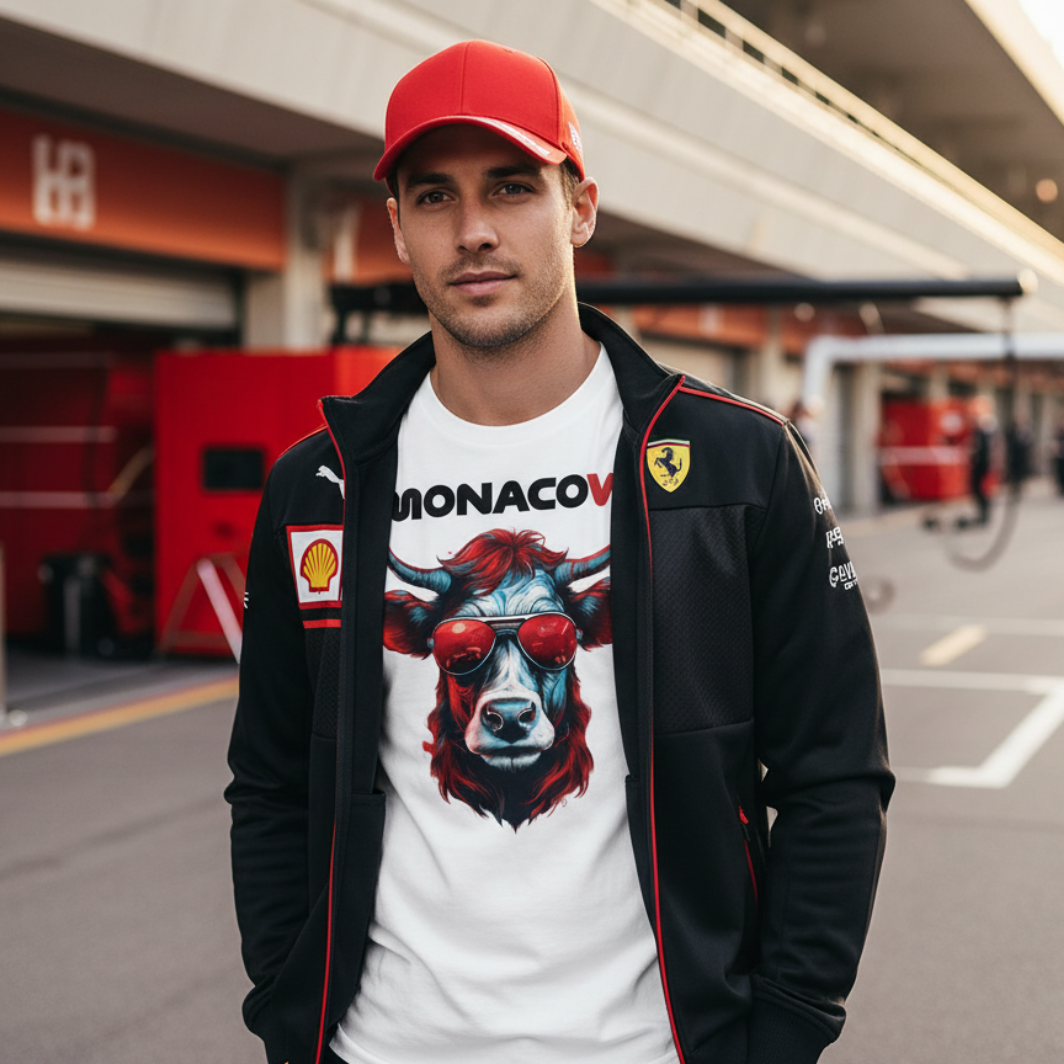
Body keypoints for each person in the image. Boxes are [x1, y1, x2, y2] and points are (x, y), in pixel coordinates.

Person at [226, 40, 893, 1064]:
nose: (475, 230)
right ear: (397, 229)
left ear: (579, 205)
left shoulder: (735, 462)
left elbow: (833, 770)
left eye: (510, 186)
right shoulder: (316, 486)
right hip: (377, 1045)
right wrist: (285, 1002)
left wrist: (786, 1026)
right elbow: (270, 777)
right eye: (434, 197)